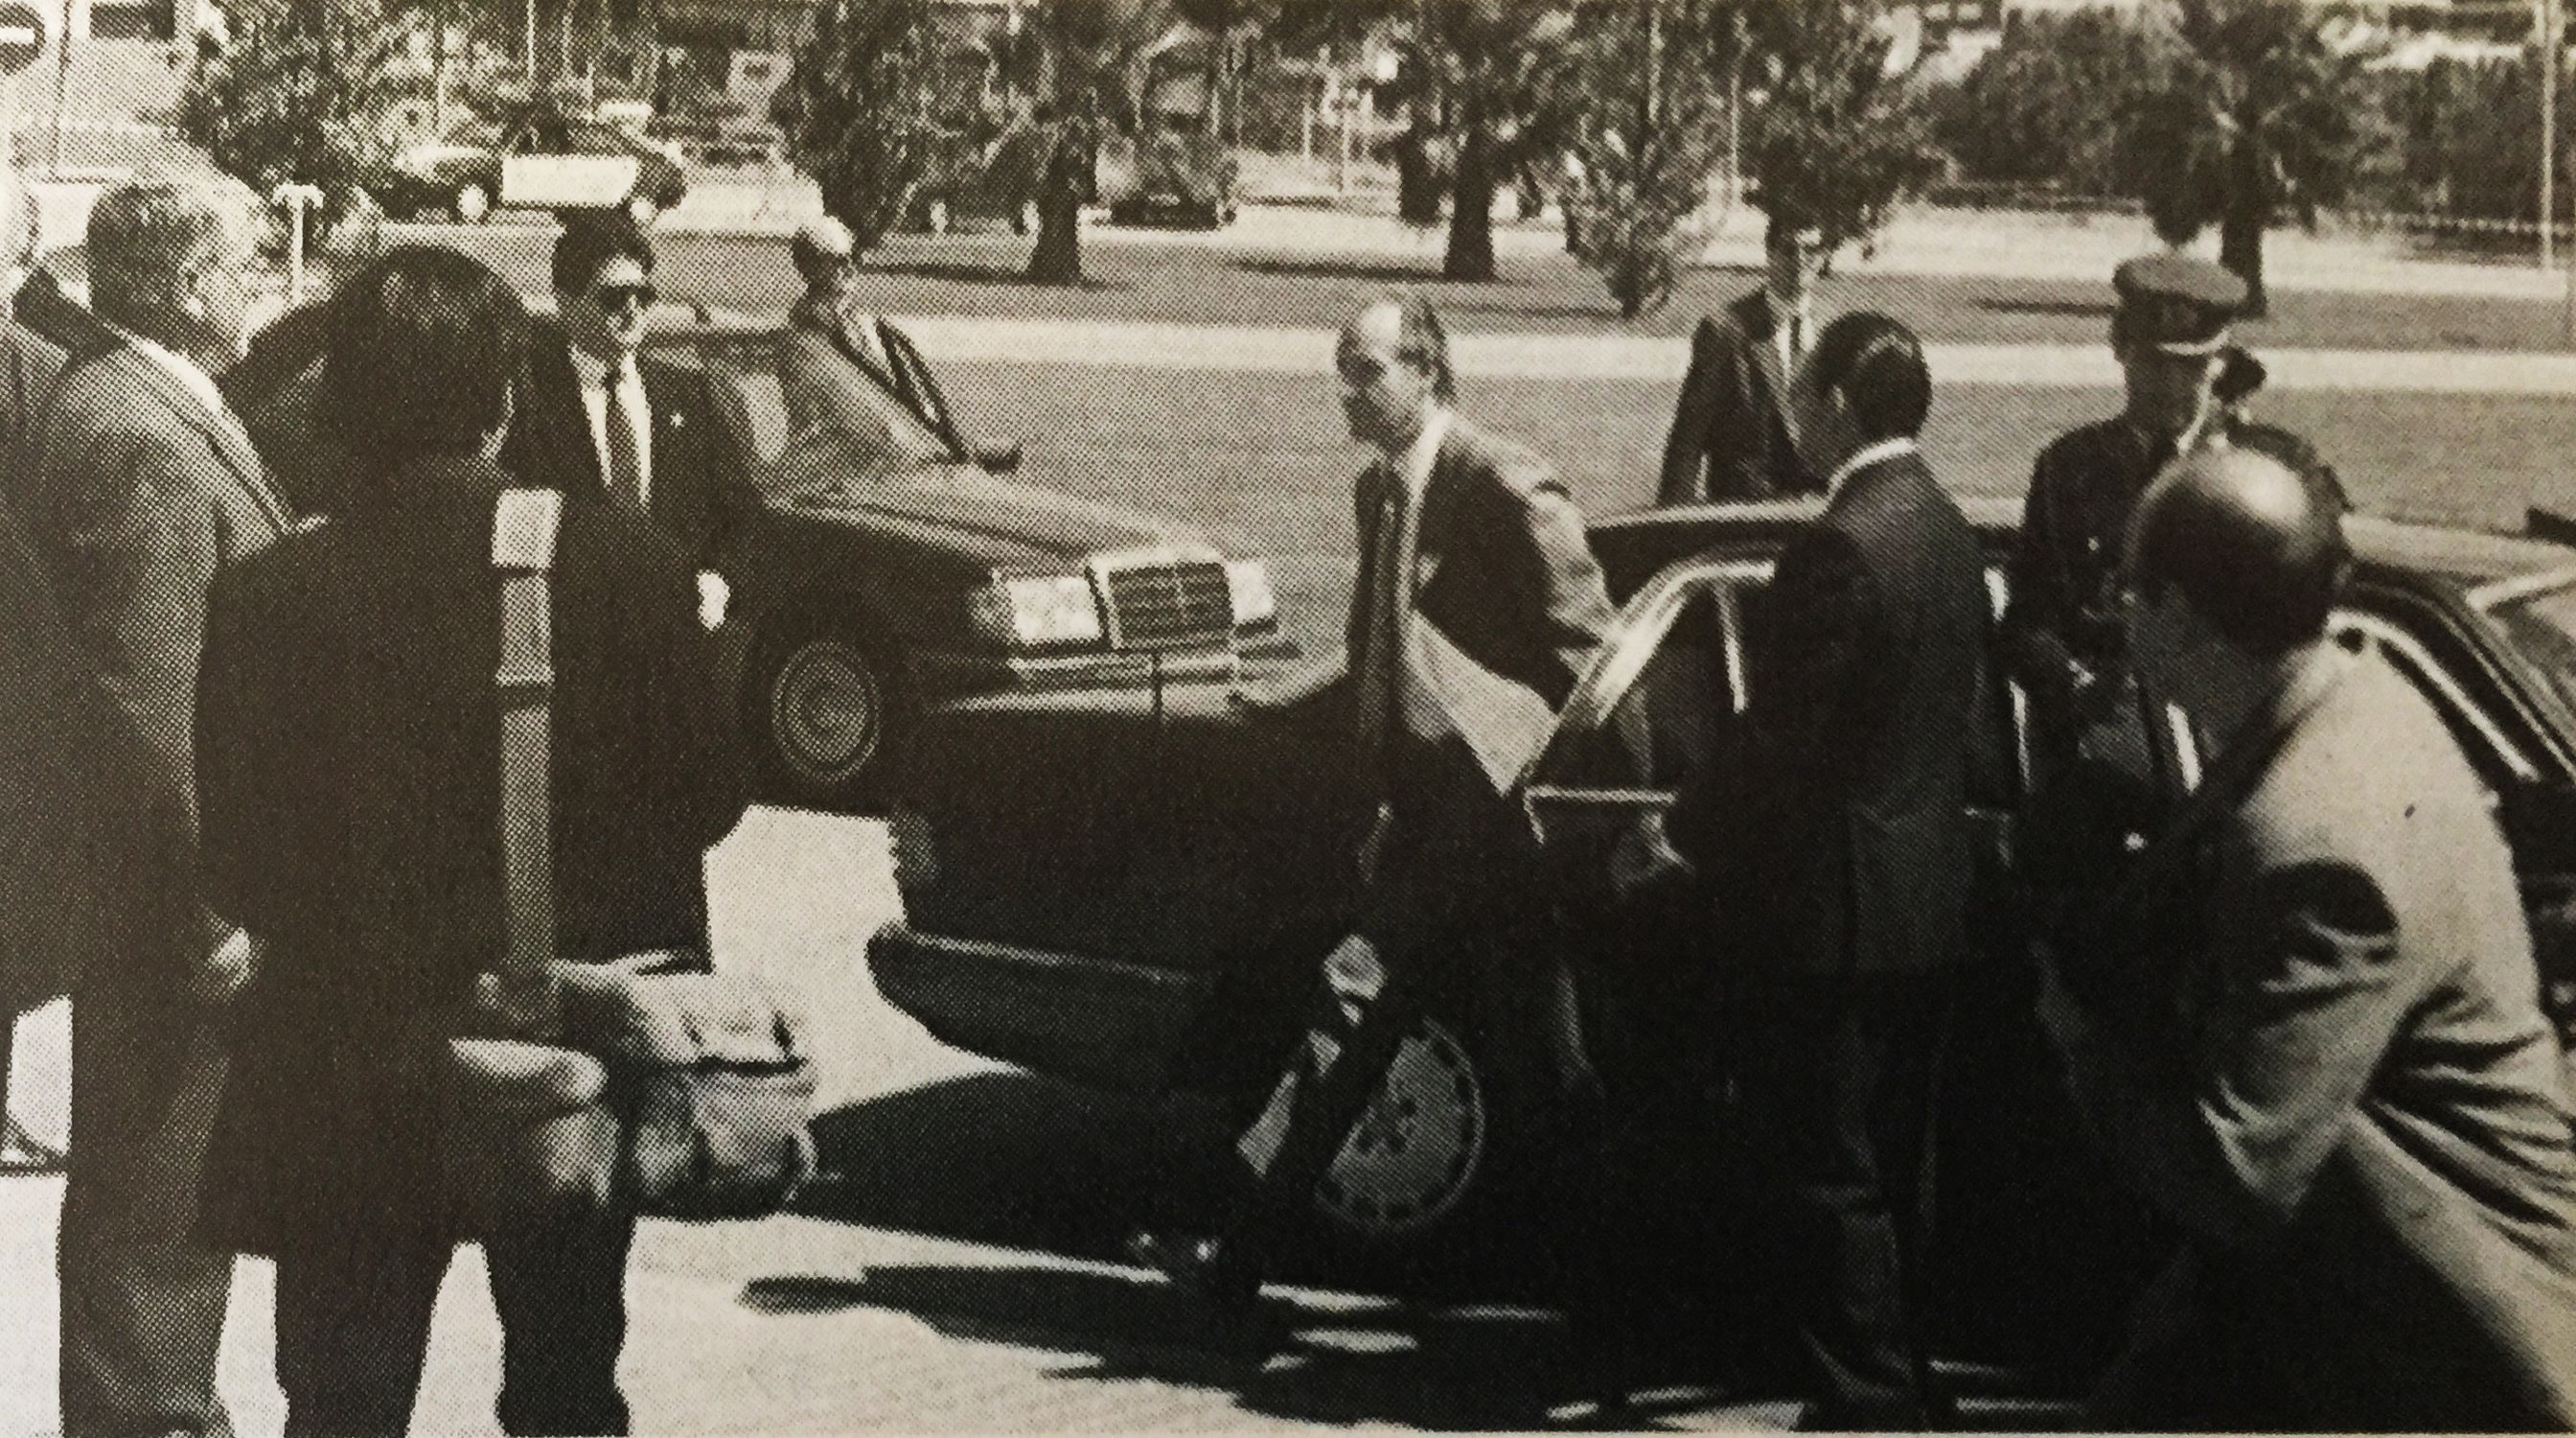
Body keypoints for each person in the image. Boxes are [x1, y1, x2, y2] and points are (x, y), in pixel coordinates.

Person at [193, 245, 749, 1436]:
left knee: (342, 1404)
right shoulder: (629, 570)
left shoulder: (269, 597)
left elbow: (234, 862)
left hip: (350, 1071)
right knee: (565, 1385)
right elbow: (708, 799)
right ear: (506, 401)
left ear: (339, 406)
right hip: (567, 1057)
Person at [2039, 446, 2576, 1430]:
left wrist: (2083, 1050)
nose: (2115, 616)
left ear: (2183, 620)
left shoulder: (2316, 840)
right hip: (2309, 1299)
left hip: (2450, 1343)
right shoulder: (2344, 700)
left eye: (2129, 588)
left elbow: (2237, 1176)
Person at [1127, 292, 1617, 1311]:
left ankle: (1611, 1297)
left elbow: (1591, 662)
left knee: (1540, 1064)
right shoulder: (1378, 492)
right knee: (1357, 1022)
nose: (1346, 392)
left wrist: (1558, 805)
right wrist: (1284, 710)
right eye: (1340, 370)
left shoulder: (1502, 483)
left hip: (1510, 828)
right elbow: (1379, 654)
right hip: (1429, 823)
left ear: (1427, 371)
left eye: (1366, 370)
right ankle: (1241, 1260)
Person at [1665, 313, 1985, 1429]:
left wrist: (1683, 831)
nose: (1793, 404)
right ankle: (1910, 1380)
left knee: (1833, 1172)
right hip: (1929, 901)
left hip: (1837, 913)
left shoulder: (1843, 542)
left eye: (1806, 387)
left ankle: (1866, 1404)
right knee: (1900, 1171)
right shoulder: (1945, 529)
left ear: (1844, 399)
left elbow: (1780, 737)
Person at [20, 174, 290, 1438]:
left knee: (165, 1218)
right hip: (162, 920)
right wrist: (199, 914)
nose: (263, 285)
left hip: (155, 904)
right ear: (186, 284)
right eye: (249, 261)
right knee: (154, 1221)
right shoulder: (132, 433)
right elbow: (142, 709)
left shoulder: (145, 407)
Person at [499, 214, 748, 623]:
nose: (632, 309)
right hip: (575, 643)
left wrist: (721, 579)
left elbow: (739, 515)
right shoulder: (527, 399)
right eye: (614, 297)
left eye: (643, 294)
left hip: (676, 641)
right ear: (565, 300)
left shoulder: (688, 394)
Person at [1657, 212, 1829, 505]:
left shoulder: (1833, 331)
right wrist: (1672, 531)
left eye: (1811, 250)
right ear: (1770, 253)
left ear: (1824, 257)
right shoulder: (1725, 331)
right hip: (1743, 517)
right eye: (1788, 249)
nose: (1800, 261)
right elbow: (1688, 440)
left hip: (1816, 518)